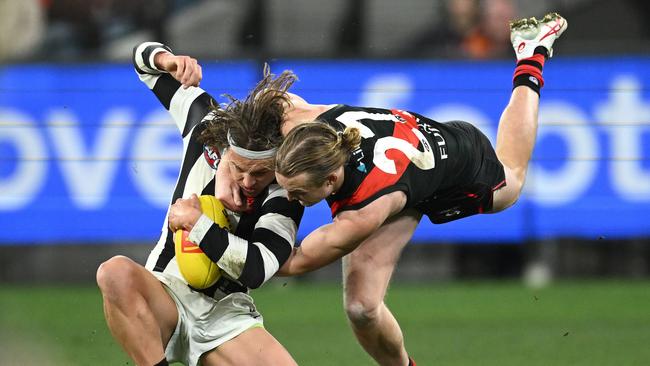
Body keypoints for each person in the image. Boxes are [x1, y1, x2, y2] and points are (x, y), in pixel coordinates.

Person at [268, 13, 565, 366]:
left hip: (455, 157)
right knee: (362, 308)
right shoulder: (299, 120)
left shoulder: (363, 213)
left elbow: (295, 260)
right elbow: (273, 97)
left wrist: (221, 249)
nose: (289, 199)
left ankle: (531, 56)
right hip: (400, 174)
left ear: (330, 182)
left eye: (299, 194)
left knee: (512, 182)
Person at [96, 41, 304, 366]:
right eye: (240, 169)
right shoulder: (204, 124)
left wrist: (198, 224)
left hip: (226, 314)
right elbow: (141, 60)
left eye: (260, 173)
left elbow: (257, 270)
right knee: (114, 273)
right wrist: (167, 60)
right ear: (227, 152)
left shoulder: (287, 191)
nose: (249, 182)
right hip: (165, 291)